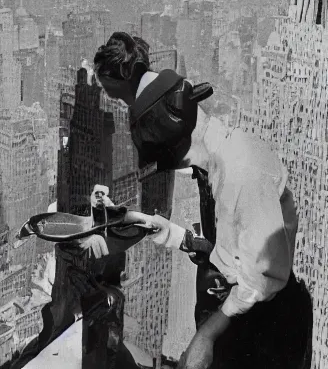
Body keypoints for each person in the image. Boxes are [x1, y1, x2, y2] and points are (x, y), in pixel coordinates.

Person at [90, 32, 310, 369]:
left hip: (270, 328)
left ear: (174, 147)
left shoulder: (242, 172)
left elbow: (260, 279)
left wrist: (206, 336)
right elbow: (235, 249)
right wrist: (149, 224)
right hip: (246, 311)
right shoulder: (213, 161)